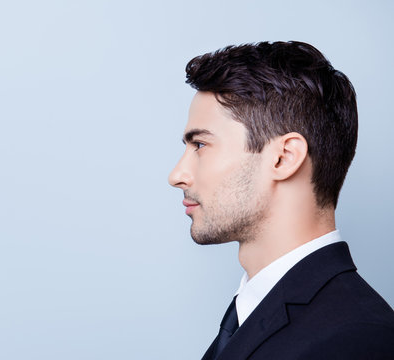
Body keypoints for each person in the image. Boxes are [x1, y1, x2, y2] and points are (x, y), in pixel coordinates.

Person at [168, 41, 394, 359]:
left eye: (201, 145)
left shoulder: (356, 339)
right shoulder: (251, 314)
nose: (177, 174)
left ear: (283, 158)